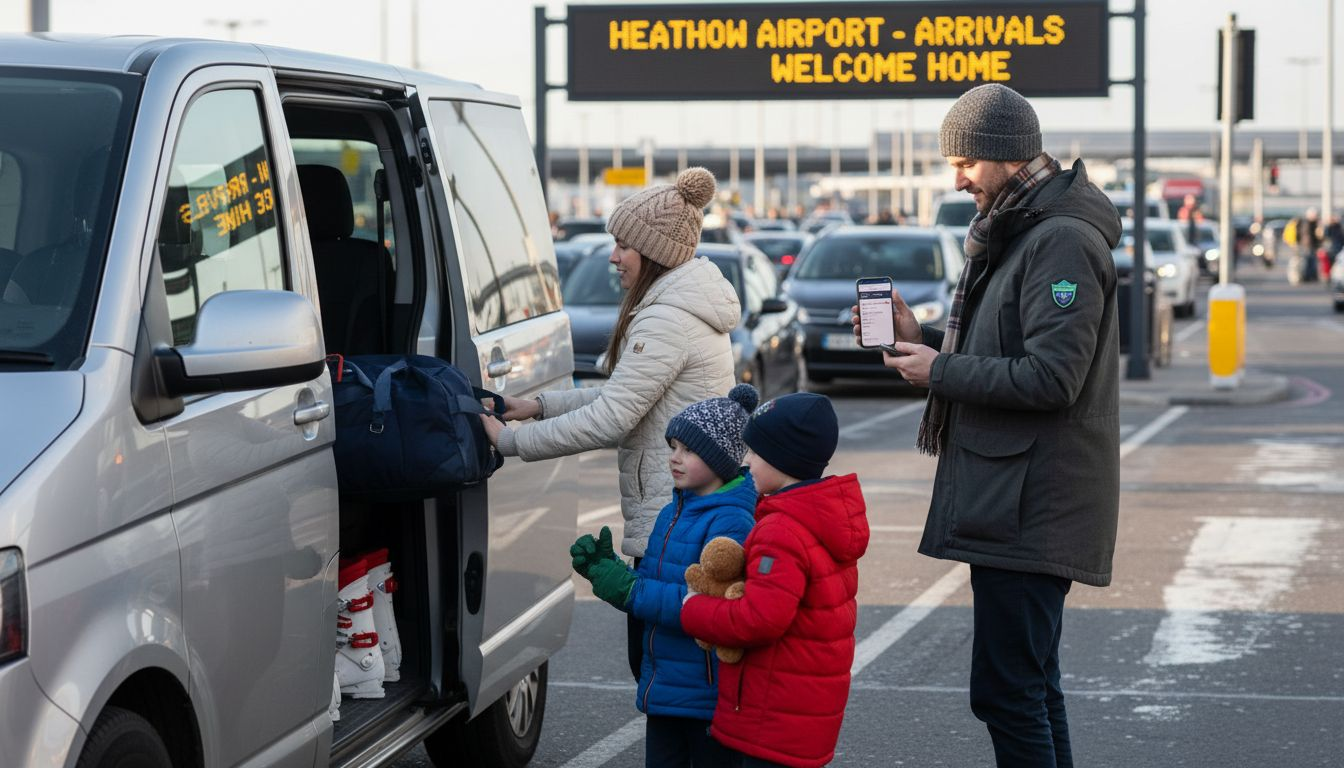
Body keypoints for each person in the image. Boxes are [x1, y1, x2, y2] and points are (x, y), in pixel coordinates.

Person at [852, 83, 1121, 768]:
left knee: (1007, 693)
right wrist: (931, 338)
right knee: (1029, 687)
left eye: (967, 160)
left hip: (1032, 501)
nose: (958, 176)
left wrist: (938, 371)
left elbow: (1051, 377)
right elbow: (1013, 344)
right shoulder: (1027, 224)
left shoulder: (1058, 240)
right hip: (1013, 496)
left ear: (1005, 154)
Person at [480, 166, 740, 681]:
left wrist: (510, 441)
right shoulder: (677, 304)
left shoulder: (668, 318)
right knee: (670, 674)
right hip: (682, 514)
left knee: (664, 675)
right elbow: (628, 396)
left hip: (674, 522)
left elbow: (612, 417)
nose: (613, 256)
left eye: (623, 245)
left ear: (654, 252)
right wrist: (539, 407)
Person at [572, 385, 760, 768]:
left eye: (688, 450)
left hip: (705, 696)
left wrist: (630, 590)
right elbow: (661, 584)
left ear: (720, 459)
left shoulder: (731, 521)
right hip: (664, 688)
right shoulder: (670, 512)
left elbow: (707, 604)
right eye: (673, 446)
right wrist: (616, 575)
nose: (674, 458)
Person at [680, 393, 869, 768]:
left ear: (783, 459)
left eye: (755, 452)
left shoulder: (781, 529)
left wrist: (694, 608)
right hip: (803, 714)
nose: (746, 461)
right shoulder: (823, 516)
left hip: (771, 718)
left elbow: (759, 619)